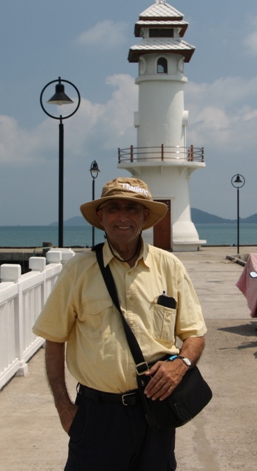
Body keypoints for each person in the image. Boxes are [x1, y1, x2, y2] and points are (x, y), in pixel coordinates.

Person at [33, 177, 207, 470]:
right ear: (101, 217)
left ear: (145, 217)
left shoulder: (169, 267)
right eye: (114, 208)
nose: (123, 216)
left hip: (156, 414)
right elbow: (54, 337)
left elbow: (195, 335)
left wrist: (181, 366)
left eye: (132, 208)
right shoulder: (79, 270)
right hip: (97, 415)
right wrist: (64, 407)